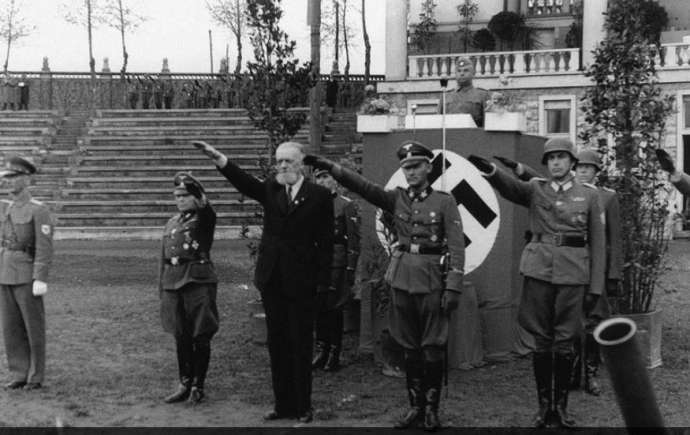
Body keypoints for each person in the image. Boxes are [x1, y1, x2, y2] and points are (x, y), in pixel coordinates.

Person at [305, 140, 465, 431]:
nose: (411, 172)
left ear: (428, 167)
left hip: (432, 280)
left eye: (416, 166)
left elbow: (456, 247)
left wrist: (453, 286)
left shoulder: (444, 202)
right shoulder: (397, 199)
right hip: (402, 278)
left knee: (432, 347)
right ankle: (414, 406)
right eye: (406, 167)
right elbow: (366, 188)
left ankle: (431, 409)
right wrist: (332, 168)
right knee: (410, 346)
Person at [468, 138, 606, 429]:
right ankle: (544, 407)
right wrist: (492, 172)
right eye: (551, 158)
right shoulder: (535, 189)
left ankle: (562, 407)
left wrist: (595, 287)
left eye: (561, 157)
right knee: (542, 340)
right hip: (539, 271)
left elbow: (599, 243)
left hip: (573, 273)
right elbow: (511, 188)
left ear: (572, 162)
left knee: (566, 340)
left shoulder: (590, 196)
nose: (555, 163)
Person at [193, 139, 334, 423]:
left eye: (288, 161)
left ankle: (303, 406)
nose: (282, 166)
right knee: (278, 342)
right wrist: (219, 157)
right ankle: (283, 405)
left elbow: (327, 244)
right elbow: (244, 182)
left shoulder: (319, 195)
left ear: (302, 164)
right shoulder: (270, 188)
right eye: (279, 161)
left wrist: (322, 283)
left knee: (301, 343)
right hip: (272, 280)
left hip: (303, 282)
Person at [159, 172, 218, 405]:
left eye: (185, 195)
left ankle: (198, 385)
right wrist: (162, 287)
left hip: (197, 281)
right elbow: (162, 259)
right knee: (180, 334)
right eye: (177, 196)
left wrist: (200, 194)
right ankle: (184, 382)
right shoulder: (172, 223)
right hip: (173, 281)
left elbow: (207, 211)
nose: (180, 200)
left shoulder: (203, 220)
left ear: (195, 197)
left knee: (200, 334)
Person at [570, 149, 622, 395]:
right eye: (579, 167)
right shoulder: (567, 194)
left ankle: (591, 373)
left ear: (596, 172)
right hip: (571, 265)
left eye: (588, 168)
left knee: (594, 320)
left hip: (596, 269)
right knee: (570, 320)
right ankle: (572, 370)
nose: (582, 171)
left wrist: (613, 275)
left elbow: (615, 239)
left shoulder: (608, 198)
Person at [0, 156, 54, 390]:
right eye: (6, 178)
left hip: (26, 274)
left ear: (26, 178)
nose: (8, 182)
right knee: (11, 327)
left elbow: (44, 246)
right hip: (5, 272)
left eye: (13, 177)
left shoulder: (38, 210)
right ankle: (18, 372)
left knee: (33, 327)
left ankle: (35, 375)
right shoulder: (6, 207)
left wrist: (40, 277)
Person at [311, 169, 360, 373]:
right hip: (316, 263)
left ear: (335, 181)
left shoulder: (345, 205)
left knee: (334, 308)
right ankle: (321, 349)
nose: (322, 181)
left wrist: (350, 266)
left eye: (326, 177)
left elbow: (354, 238)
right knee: (319, 307)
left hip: (336, 263)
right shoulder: (311, 204)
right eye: (319, 178)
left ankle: (334, 352)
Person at [441, 57, 490, 127]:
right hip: (450, 136)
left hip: (473, 136)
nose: (462, 73)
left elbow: (487, 124)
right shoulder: (445, 96)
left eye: (466, 70)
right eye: (459, 71)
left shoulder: (482, 95)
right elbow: (439, 122)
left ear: (473, 73)